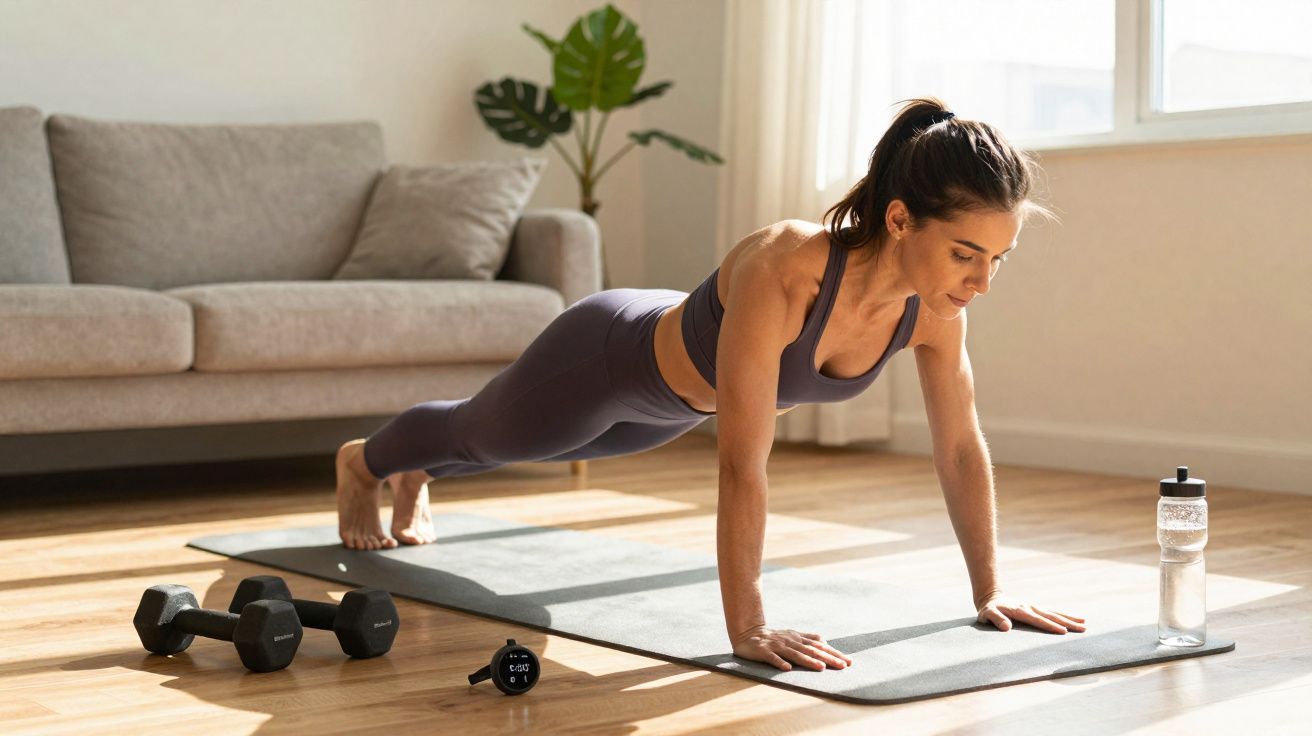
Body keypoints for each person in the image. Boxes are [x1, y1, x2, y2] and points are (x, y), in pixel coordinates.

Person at [333, 96, 1088, 672]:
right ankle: (367, 463)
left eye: (999, 260)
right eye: (966, 254)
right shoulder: (785, 265)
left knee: (499, 446)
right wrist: (748, 625)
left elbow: (959, 449)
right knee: (489, 435)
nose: (982, 281)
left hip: (672, 408)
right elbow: (742, 465)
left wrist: (989, 590)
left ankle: (419, 470)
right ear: (899, 218)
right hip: (606, 359)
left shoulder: (935, 315)